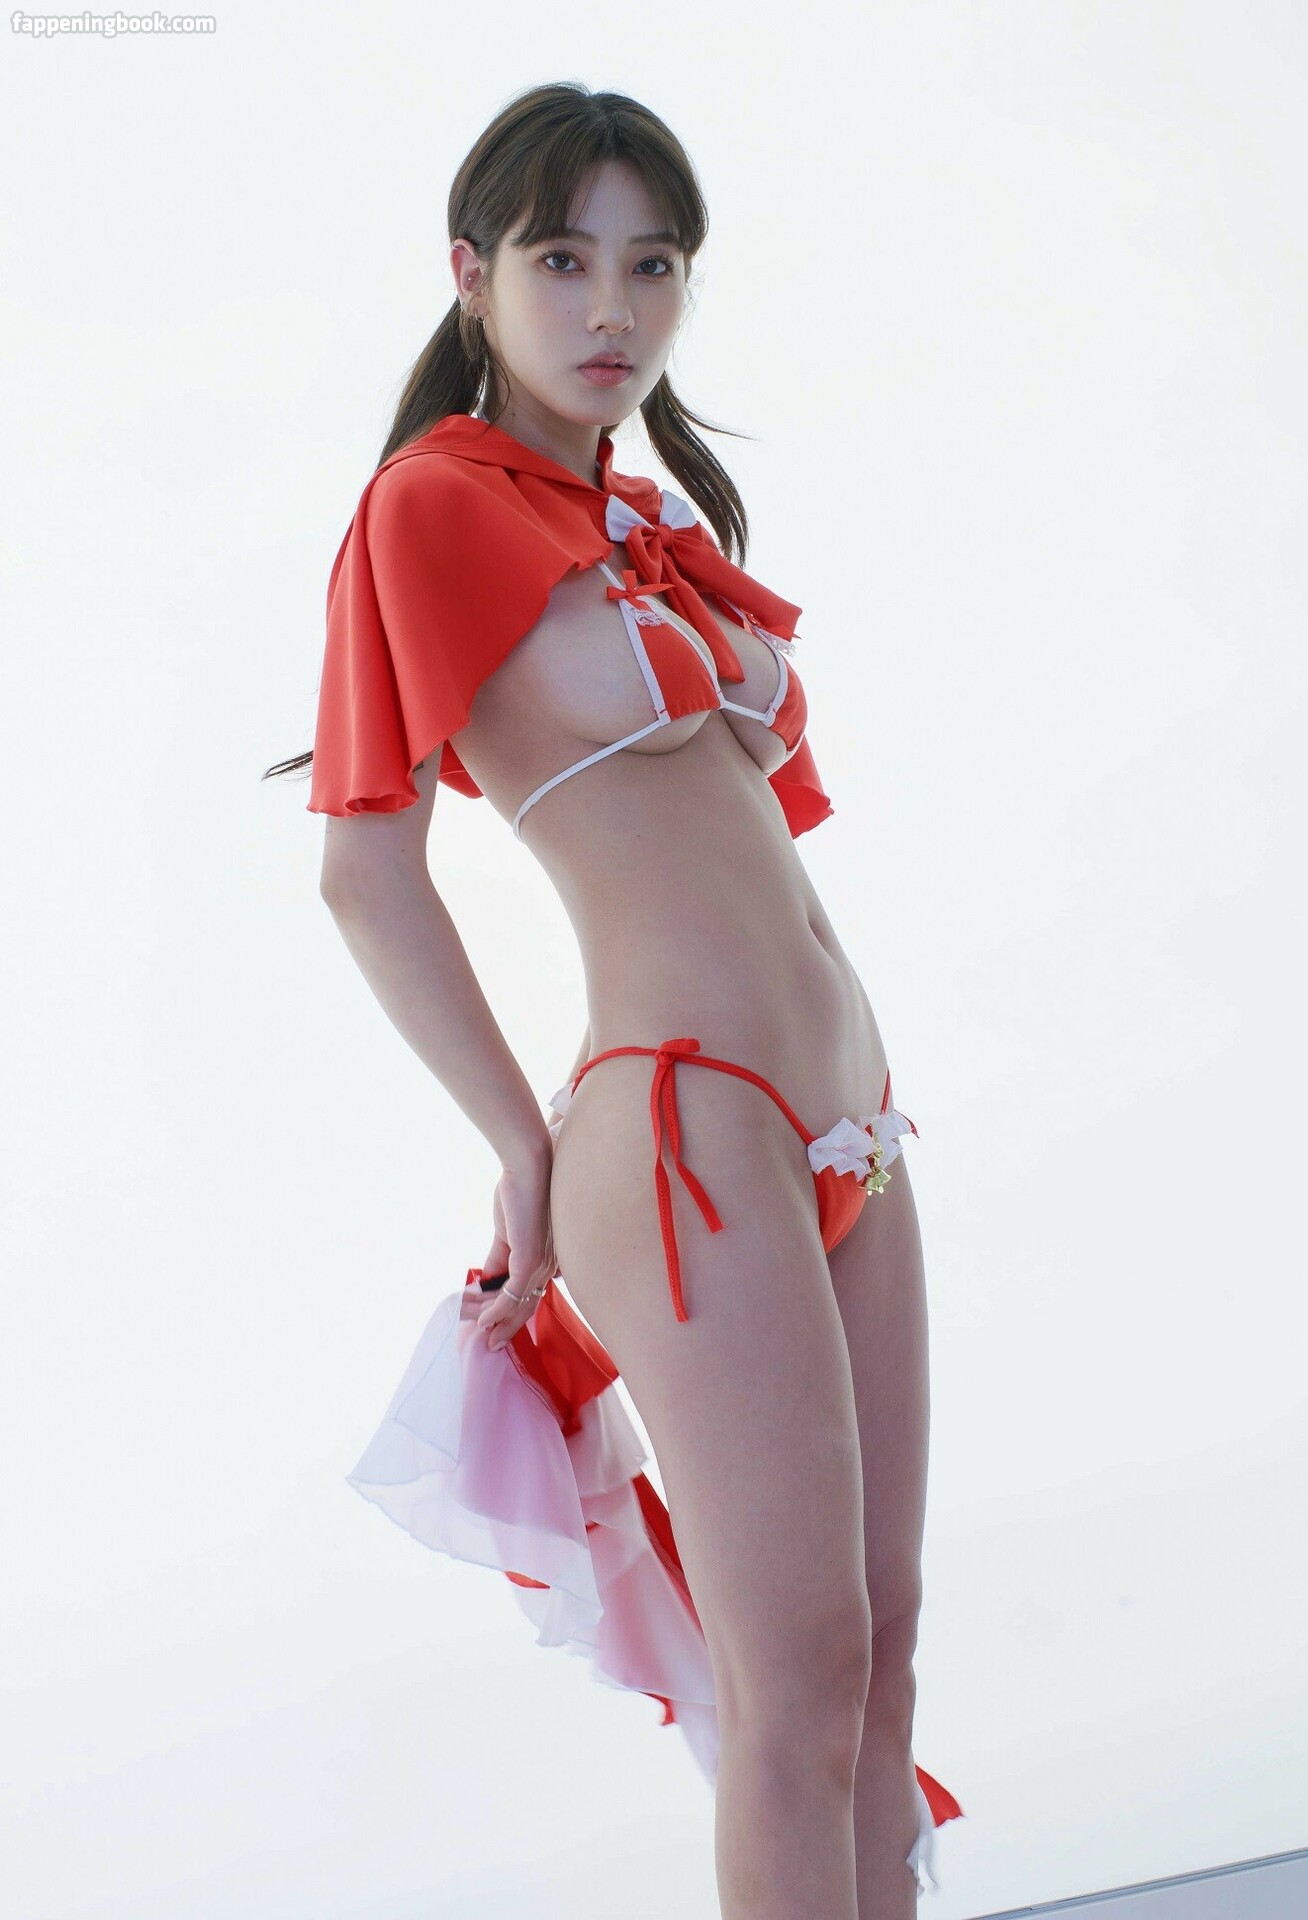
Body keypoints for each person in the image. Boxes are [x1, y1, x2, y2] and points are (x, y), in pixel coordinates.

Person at [266, 80, 962, 1918]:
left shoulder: (643, 518)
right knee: (795, 1683)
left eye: (653, 267)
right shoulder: (429, 508)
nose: (612, 309)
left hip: (851, 1123)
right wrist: (520, 1146)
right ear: (471, 274)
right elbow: (363, 870)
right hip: (685, 1130)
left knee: (881, 1662)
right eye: (563, 260)